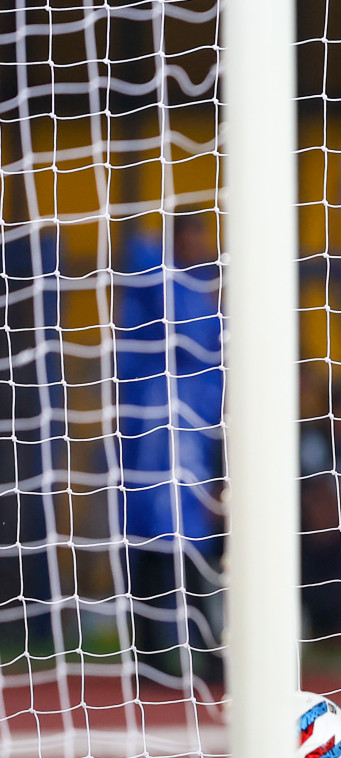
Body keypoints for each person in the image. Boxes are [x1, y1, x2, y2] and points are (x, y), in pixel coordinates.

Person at [115, 213, 225, 688]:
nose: (198, 244)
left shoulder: (198, 295)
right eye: (191, 234)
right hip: (156, 435)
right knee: (157, 543)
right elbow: (140, 260)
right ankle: (152, 658)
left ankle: (206, 658)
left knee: (189, 547)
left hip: (196, 435)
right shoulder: (160, 289)